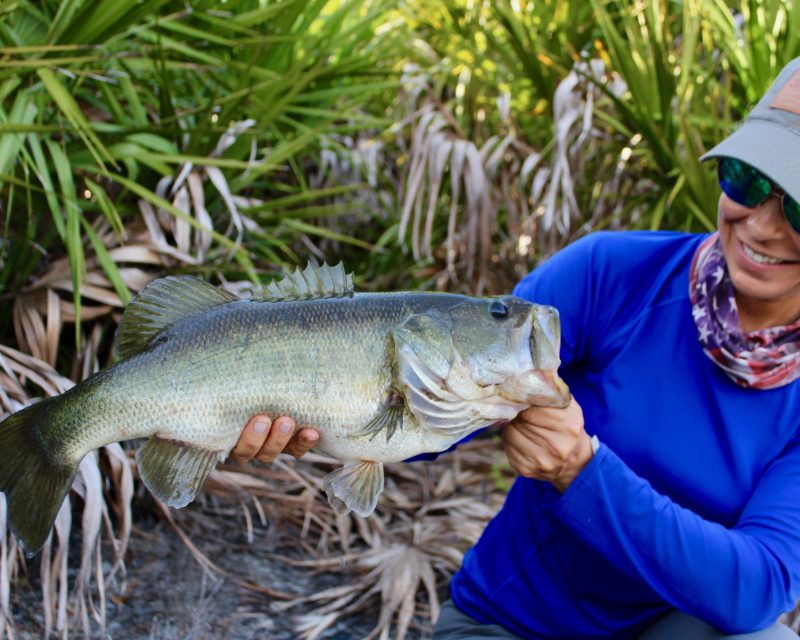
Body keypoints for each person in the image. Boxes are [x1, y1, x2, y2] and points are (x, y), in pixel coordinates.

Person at [229, 58, 800, 639]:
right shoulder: (611, 274)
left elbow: (755, 588)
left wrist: (583, 473)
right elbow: (435, 393)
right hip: (513, 625)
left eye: (798, 207)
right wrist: (303, 410)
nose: (761, 225)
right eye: (748, 179)